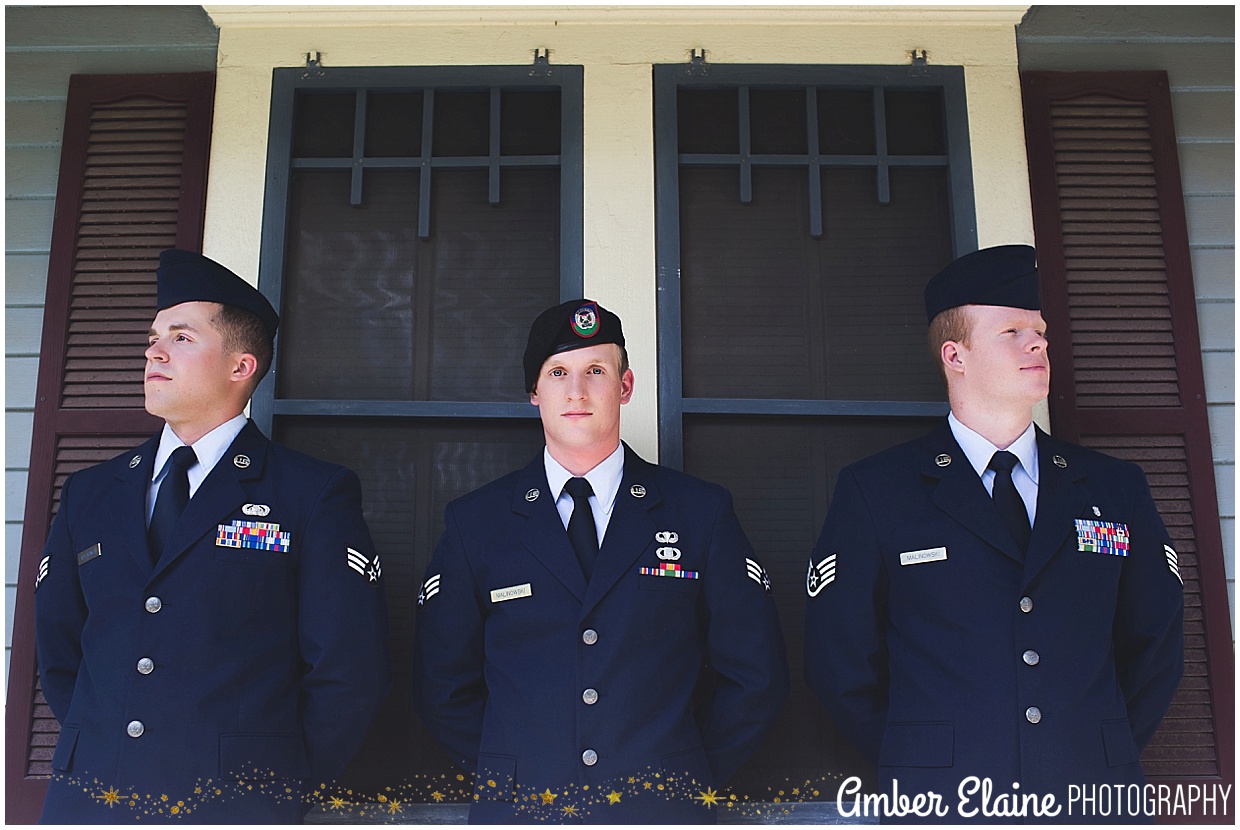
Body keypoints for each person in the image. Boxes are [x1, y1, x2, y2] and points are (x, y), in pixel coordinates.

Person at [804, 245, 1184, 823]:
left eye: (1040, 331)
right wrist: (919, 759)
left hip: (1093, 796)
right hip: (940, 802)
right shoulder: (878, 490)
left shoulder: (1113, 487)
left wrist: (1100, 746)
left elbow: (1155, 642)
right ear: (955, 355)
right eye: (1012, 330)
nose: (1038, 343)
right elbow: (841, 660)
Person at [34, 249, 391, 823]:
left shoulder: (311, 493)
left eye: (180, 337)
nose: (153, 352)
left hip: (234, 805)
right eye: (153, 338)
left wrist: (278, 789)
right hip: (92, 798)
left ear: (240, 366)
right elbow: (59, 651)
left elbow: (348, 670)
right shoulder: (90, 493)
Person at [413, 299, 788, 823]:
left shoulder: (700, 511)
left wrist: (683, 774)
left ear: (626, 386)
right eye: (558, 372)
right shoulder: (476, 523)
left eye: (596, 371)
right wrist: (512, 774)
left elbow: (754, 676)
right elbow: (442, 684)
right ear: (534, 392)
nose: (577, 390)